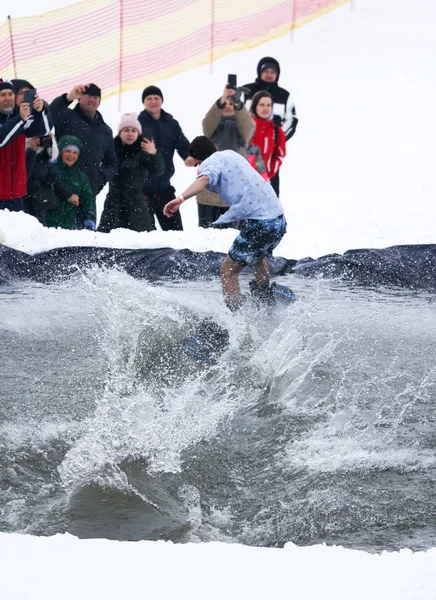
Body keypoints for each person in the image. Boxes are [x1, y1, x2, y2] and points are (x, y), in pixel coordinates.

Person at [163, 136, 286, 311]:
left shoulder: (209, 163)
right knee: (258, 255)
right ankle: (264, 300)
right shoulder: (230, 154)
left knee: (228, 271)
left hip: (260, 223)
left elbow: (204, 179)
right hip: (278, 219)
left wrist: (180, 199)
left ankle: (237, 320)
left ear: (198, 160)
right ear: (214, 147)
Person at [197, 82, 254, 227]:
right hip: (208, 195)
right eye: (225, 104)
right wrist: (221, 102)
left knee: (230, 237)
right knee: (206, 235)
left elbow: (248, 127)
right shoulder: (211, 131)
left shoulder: (242, 132)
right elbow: (207, 124)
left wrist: (238, 104)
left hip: (232, 195)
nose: (229, 106)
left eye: (232, 104)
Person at [138, 85, 195, 231]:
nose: (153, 101)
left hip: (164, 187)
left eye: (156, 98)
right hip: (142, 188)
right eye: (149, 98)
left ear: (161, 101)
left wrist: (189, 156)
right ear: (144, 102)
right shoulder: (137, 124)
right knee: (146, 234)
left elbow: (182, 144)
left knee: (176, 233)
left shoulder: (171, 123)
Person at [98, 113, 165, 233]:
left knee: (138, 242)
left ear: (138, 133)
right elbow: (102, 170)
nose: (130, 133)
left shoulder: (142, 151)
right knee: (108, 241)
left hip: (136, 205)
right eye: (126, 130)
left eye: (133, 130)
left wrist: (154, 153)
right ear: (120, 132)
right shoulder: (112, 150)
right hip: (114, 203)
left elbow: (158, 170)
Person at [242, 57, 298, 195]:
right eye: (266, 71)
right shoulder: (246, 91)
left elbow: (292, 120)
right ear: (260, 72)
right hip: (245, 154)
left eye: (273, 71)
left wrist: (275, 137)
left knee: (270, 198)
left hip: (269, 155)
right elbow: (233, 115)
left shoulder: (284, 96)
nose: (269, 74)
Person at [49, 83, 117, 196]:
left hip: (88, 192)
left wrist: (100, 178)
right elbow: (51, 112)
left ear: (99, 101)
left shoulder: (105, 131)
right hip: (61, 189)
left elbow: (112, 163)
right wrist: (68, 98)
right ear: (79, 99)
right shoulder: (67, 117)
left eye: (95, 97)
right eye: (88, 96)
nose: (92, 100)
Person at [0, 78, 50, 212]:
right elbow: (1, 139)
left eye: (10, 94)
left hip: (16, 195)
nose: (7, 98)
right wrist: (20, 119)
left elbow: (43, 130)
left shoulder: (20, 117)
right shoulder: (19, 119)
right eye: (2, 95)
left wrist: (40, 112)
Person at [45, 135, 96, 231]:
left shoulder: (81, 178)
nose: (71, 155)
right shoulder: (50, 170)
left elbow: (88, 201)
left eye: (75, 152)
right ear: (60, 152)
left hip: (68, 227)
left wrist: (90, 219)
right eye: (67, 151)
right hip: (46, 223)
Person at [25, 134, 72, 226]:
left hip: (38, 199)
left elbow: (53, 177)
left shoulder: (44, 158)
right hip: (21, 196)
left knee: (38, 226)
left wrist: (68, 194)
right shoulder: (21, 156)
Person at [248, 91, 286, 193]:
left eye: (268, 105)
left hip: (265, 181)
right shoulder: (245, 125)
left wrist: (271, 171)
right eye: (262, 105)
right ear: (255, 106)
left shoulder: (276, 130)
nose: (265, 108)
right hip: (244, 179)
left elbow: (280, 154)